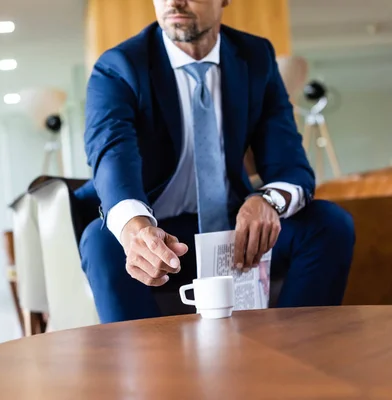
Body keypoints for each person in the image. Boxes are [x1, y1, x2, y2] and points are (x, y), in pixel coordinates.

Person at [75, 0, 355, 323]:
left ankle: (291, 356)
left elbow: (291, 164)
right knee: (101, 242)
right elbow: (112, 157)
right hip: (164, 238)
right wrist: (136, 230)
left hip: (235, 236)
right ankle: (151, 371)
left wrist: (266, 202)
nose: (174, 1)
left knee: (329, 224)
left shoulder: (255, 57)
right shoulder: (119, 67)